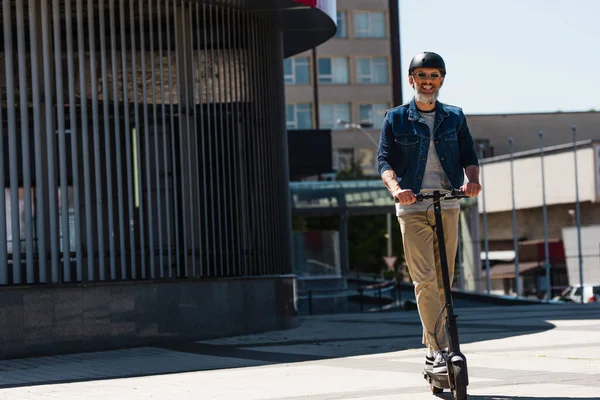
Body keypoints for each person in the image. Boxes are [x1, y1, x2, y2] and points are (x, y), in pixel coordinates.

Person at [376, 51, 482, 374]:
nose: (428, 81)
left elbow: (469, 155)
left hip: (448, 203)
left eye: (434, 76)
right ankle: (439, 350)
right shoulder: (395, 118)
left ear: (441, 81)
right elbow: (384, 162)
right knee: (424, 281)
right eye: (421, 76)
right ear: (412, 80)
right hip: (412, 207)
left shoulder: (455, 117)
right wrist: (397, 190)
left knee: (443, 282)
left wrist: (473, 181)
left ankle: (436, 347)